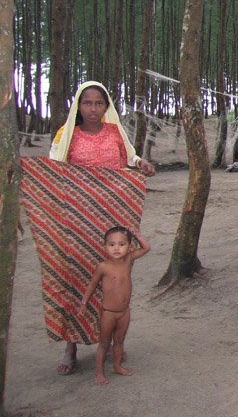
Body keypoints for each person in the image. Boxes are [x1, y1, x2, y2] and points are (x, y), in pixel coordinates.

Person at [45, 81, 155, 375]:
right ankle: (72, 344)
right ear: (78, 107)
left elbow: (129, 159)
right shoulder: (66, 135)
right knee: (77, 277)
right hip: (77, 222)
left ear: (107, 107)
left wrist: (140, 164)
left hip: (111, 220)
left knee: (114, 282)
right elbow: (53, 171)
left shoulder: (115, 132)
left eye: (99, 103)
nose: (93, 109)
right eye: (87, 103)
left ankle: (112, 341)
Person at [79, 227, 150, 385]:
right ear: (105, 246)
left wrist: (137, 235)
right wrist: (84, 302)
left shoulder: (129, 260)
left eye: (121, 244)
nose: (116, 248)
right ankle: (99, 373)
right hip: (108, 313)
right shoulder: (103, 266)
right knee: (104, 343)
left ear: (129, 246)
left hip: (124, 312)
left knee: (119, 341)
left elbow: (147, 248)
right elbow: (92, 285)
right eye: (111, 245)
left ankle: (117, 366)